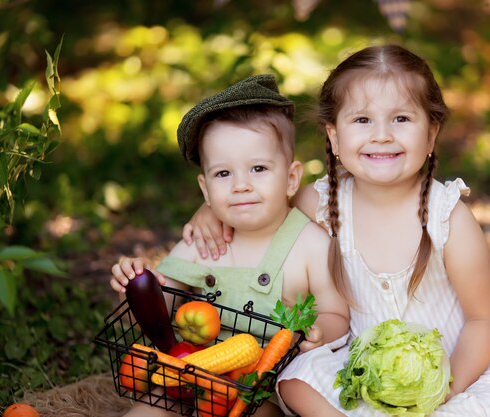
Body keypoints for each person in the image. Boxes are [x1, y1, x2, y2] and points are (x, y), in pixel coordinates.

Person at [181, 44, 490, 417]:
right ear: (335, 136)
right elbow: (259, 205)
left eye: (401, 119)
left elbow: (484, 319)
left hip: (456, 369)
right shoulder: (322, 203)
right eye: (362, 121)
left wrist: (445, 390)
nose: (382, 135)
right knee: (296, 381)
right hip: (362, 372)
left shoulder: (448, 217)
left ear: (432, 134)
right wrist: (209, 211)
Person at [110, 74, 350, 417]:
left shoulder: (310, 244)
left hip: (260, 392)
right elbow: (160, 300)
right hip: (188, 373)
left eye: (258, 168)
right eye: (224, 174)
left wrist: (321, 330)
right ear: (206, 191)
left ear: (291, 178)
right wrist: (136, 281)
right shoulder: (203, 243)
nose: (241, 185)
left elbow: (337, 313)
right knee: (146, 413)